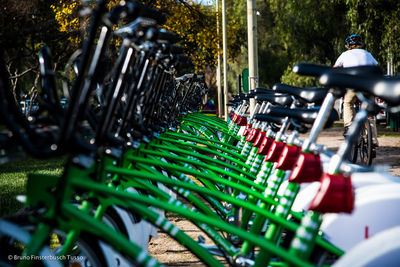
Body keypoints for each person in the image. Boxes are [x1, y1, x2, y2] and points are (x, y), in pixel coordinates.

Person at [333, 34, 379, 155]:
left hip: (353, 84)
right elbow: (377, 67)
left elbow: (335, 68)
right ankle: (372, 142)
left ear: (348, 45)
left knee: (347, 103)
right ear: (361, 44)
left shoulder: (344, 54)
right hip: (369, 86)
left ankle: (349, 127)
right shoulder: (368, 54)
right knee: (369, 114)